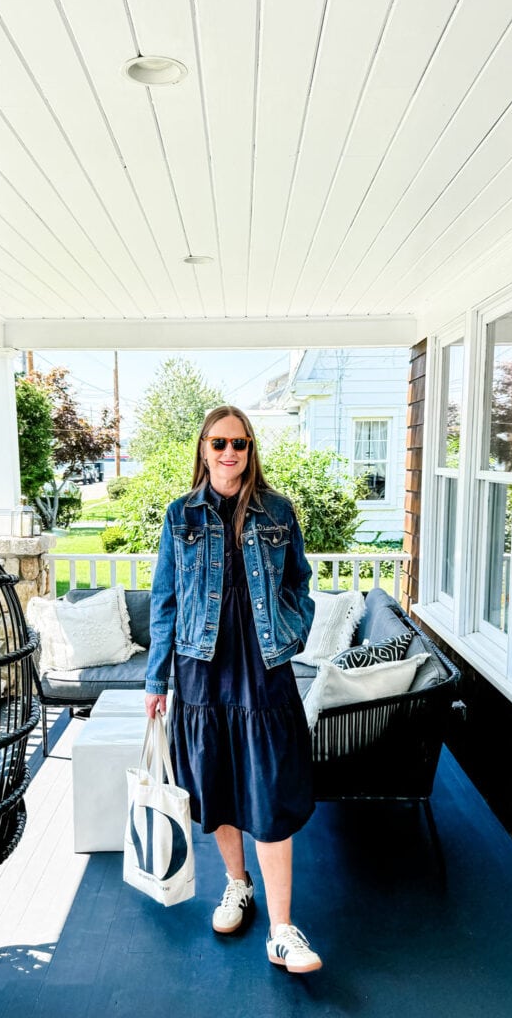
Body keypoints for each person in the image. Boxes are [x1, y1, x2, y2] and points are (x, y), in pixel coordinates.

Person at [144, 405, 322, 974]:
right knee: (216, 783)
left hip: (263, 666)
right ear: (202, 448)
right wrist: (155, 679)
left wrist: (292, 629)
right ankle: (237, 884)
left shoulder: (277, 511)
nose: (229, 453)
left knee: (267, 791)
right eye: (218, 442)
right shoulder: (180, 516)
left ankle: (282, 927)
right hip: (200, 668)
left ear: (251, 450)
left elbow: (300, 583)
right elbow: (166, 602)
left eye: (239, 444)